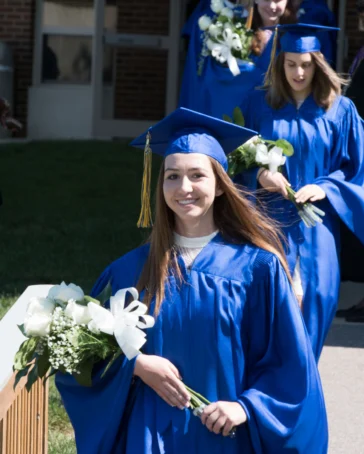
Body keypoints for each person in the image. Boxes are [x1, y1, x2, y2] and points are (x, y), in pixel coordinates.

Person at [56, 108, 328, 453]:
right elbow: (80, 362)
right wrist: (135, 366)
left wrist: (247, 407)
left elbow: (291, 363)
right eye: (172, 176)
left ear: (219, 186)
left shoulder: (257, 268)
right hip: (149, 438)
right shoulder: (127, 272)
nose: (184, 188)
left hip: (223, 439)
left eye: (197, 175)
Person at [237, 24, 364, 360]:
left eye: (306, 64)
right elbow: (234, 161)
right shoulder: (258, 104)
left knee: (318, 295)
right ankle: (271, 385)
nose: (298, 72)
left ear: (318, 63)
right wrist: (260, 175)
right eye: (290, 63)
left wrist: (325, 187)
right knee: (272, 301)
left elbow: (356, 169)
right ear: (280, 63)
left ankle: (303, 379)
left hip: (316, 220)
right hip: (268, 216)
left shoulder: (339, 110)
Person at [179, 0, 298, 119]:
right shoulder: (243, 31)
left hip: (277, 114)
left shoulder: (294, 34)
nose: (272, 6)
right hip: (247, 112)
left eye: (278, 0)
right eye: (266, 0)